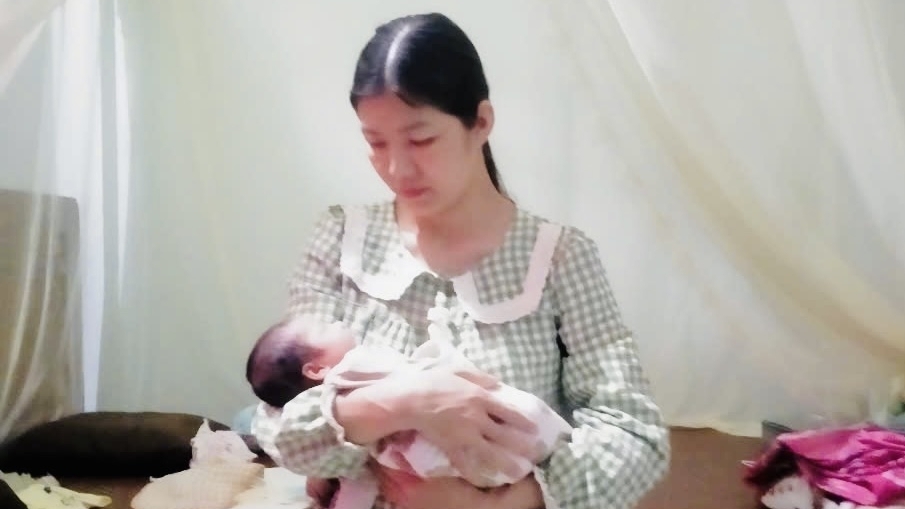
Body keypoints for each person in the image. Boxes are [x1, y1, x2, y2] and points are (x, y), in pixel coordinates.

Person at [252, 11, 670, 509]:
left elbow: (633, 434)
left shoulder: (559, 258)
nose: (396, 167)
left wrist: (506, 503)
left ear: (481, 122)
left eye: (421, 140)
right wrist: (410, 401)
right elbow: (277, 424)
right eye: (375, 142)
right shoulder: (340, 239)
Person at [246, 308, 573, 509]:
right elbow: (274, 423)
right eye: (324, 328)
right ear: (316, 369)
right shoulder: (351, 369)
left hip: (492, 469)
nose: (335, 320)